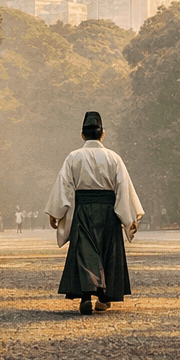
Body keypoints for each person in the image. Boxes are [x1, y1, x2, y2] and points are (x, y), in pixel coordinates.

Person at [45, 111, 144, 315]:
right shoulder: (114, 158)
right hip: (108, 211)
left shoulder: (73, 157)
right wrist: (129, 218)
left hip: (83, 210)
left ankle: (85, 297)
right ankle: (104, 298)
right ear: (103, 134)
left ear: (82, 135)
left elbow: (64, 186)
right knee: (108, 251)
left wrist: (56, 213)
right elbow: (123, 188)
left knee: (85, 252)